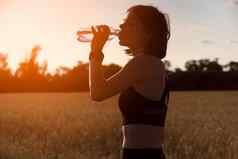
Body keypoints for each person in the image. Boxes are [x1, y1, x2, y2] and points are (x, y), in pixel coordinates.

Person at [78, 4, 170, 159]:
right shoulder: (152, 63)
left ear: (148, 33)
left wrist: (95, 51)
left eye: (131, 23)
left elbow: (98, 93)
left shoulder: (143, 62)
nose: (121, 26)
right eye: (123, 22)